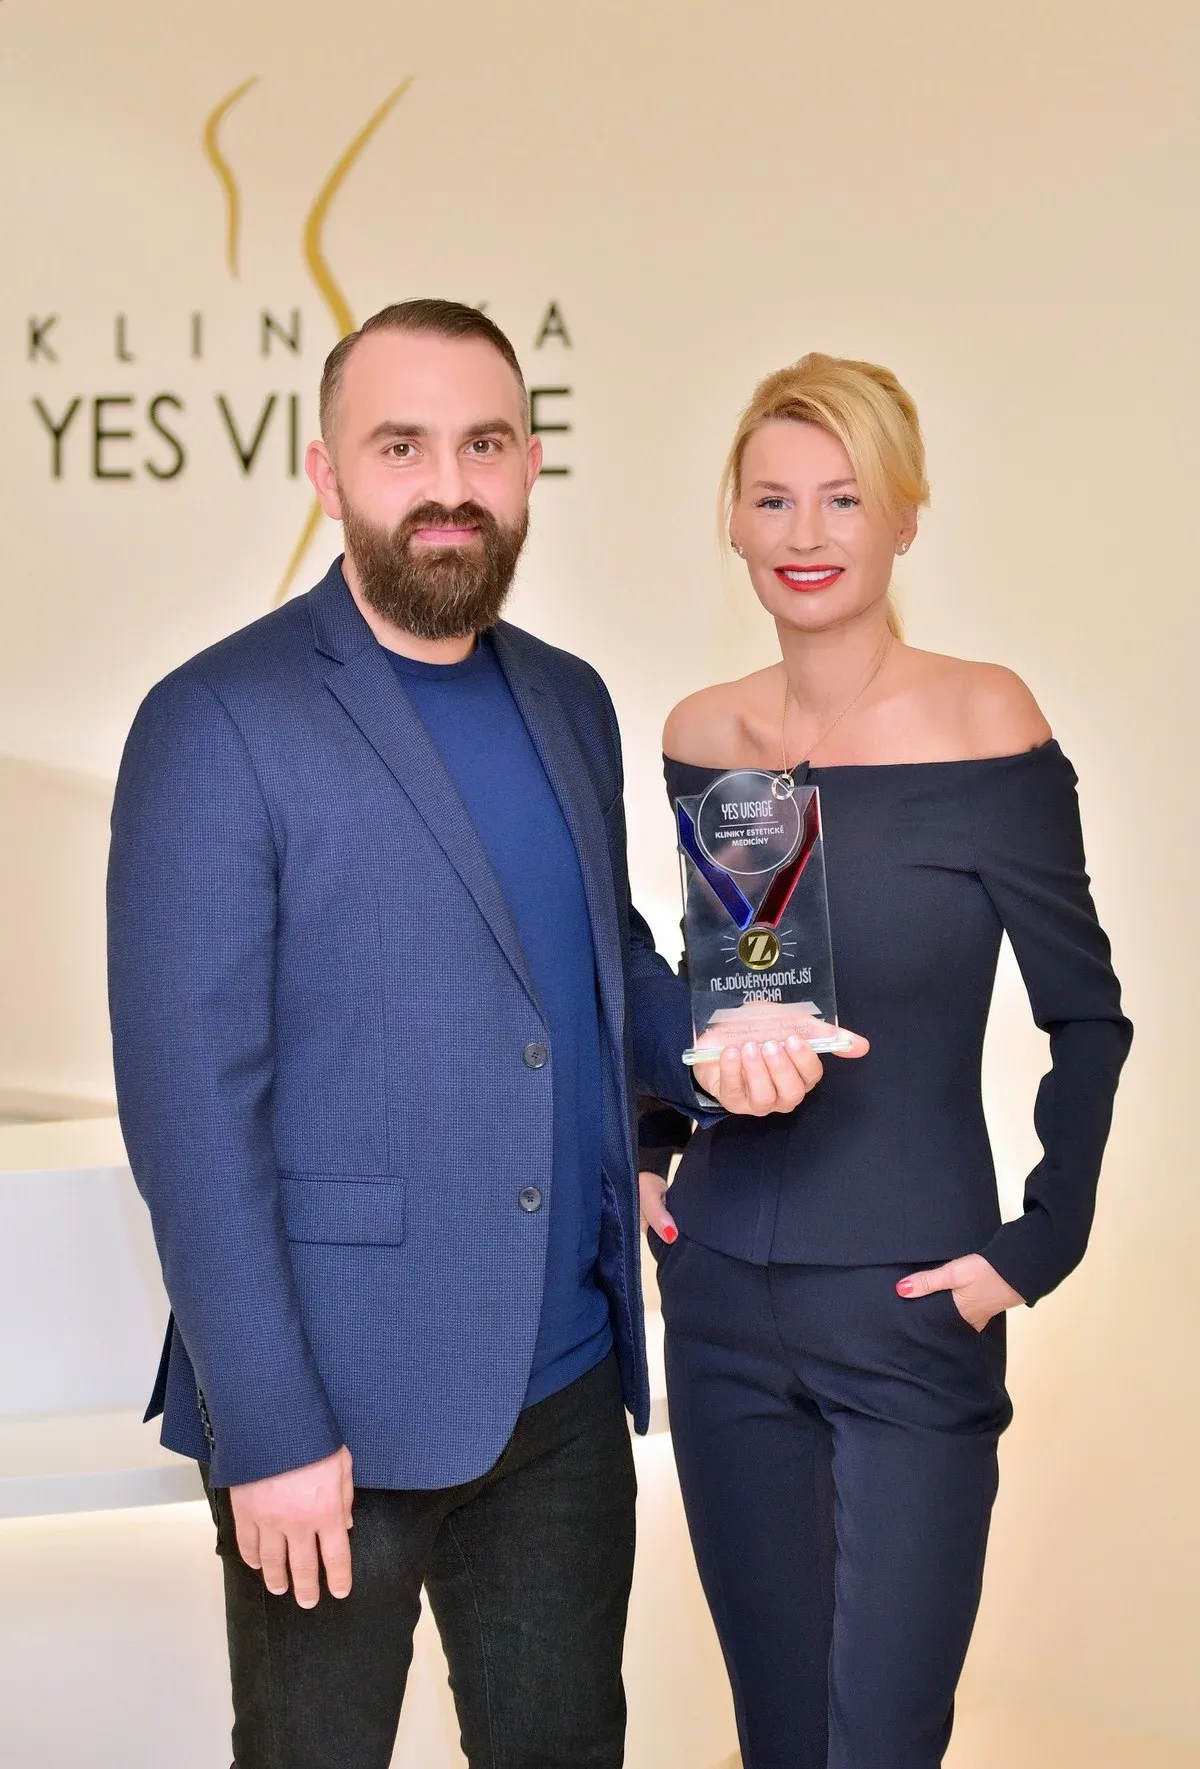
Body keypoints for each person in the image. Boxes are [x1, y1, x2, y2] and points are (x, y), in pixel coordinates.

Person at [106, 299, 843, 1769]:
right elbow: (189, 1111)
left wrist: (722, 1039)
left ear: (529, 466)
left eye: (484, 445)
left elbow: (599, 963)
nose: (449, 485)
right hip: (336, 1406)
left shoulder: (568, 699)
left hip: (563, 1391)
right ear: (327, 473)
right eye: (403, 447)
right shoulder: (216, 720)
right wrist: (269, 1428)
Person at [638, 353, 1132, 1769]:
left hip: (912, 1302)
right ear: (734, 521)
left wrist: (1035, 1247)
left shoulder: (988, 722)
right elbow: (722, 994)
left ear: (905, 517)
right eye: (774, 499)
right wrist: (654, 1151)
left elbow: (1086, 1014)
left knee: (882, 1743)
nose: (806, 534)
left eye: (844, 498)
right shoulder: (706, 739)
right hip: (722, 1296)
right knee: (782, 1740)